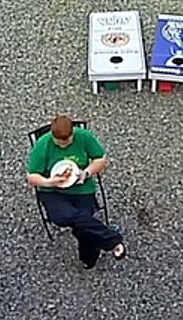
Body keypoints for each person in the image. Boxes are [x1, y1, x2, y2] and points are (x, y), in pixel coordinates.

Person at [26, 114, 126, 268]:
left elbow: (101, 159)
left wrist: (86, 173)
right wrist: (49, 182)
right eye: (60, 143)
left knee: (81, 225)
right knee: (62, 217)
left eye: (67, 142)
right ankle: (112, 240)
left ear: (73, 133)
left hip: (81, 187)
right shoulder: (43, 143)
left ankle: (88, 259)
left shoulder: (83, 136)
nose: (64, 146)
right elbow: (32, 177)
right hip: (53, 191)